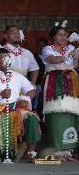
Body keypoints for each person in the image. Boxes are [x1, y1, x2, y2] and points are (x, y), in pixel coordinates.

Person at [0, 48, 41, 162]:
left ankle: (30, 153)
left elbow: (30, 89)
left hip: (16, 110)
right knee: (2, 156)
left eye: (8, 58)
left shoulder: (17, 75)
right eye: (3, 58)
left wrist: (26, 98)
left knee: (31, 118)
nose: (6, 60)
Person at [41, 25, 79, 161]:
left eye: (65, 35)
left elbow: (77, 61)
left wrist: (76, 53)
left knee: (71, 112)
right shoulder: (47, 49)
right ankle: (56, 149)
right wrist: (68, 55)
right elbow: (53, 60)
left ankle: (68, 150)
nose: (63, 37)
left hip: (71, 82)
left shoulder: (70, 48)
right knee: (56, 112)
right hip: (54, 83)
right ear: (53, 37)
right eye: (60, 35)